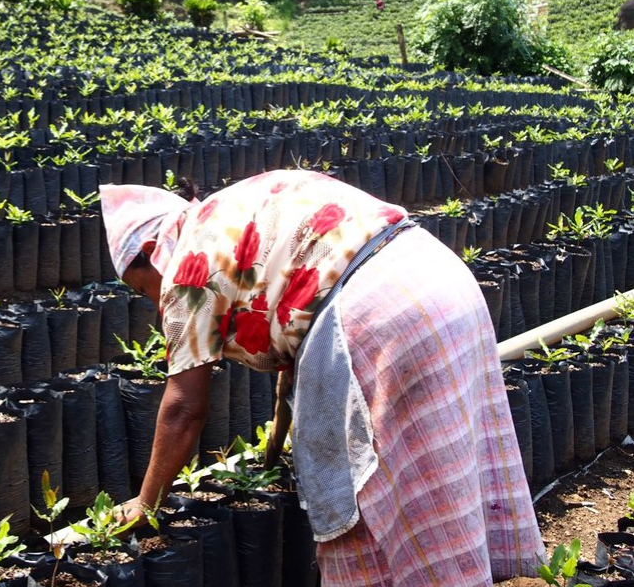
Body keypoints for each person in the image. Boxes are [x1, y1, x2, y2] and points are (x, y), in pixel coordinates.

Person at [100, 169, 544, 586]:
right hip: (440, 279)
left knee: (364, 491)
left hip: (380, 318)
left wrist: (147, 501)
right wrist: (275, 446)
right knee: (443, 466)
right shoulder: (233, 205)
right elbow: (296, 295)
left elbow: (183, 409)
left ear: (150, 254)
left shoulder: (187, 266)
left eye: (142, 288)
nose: (151, 300)